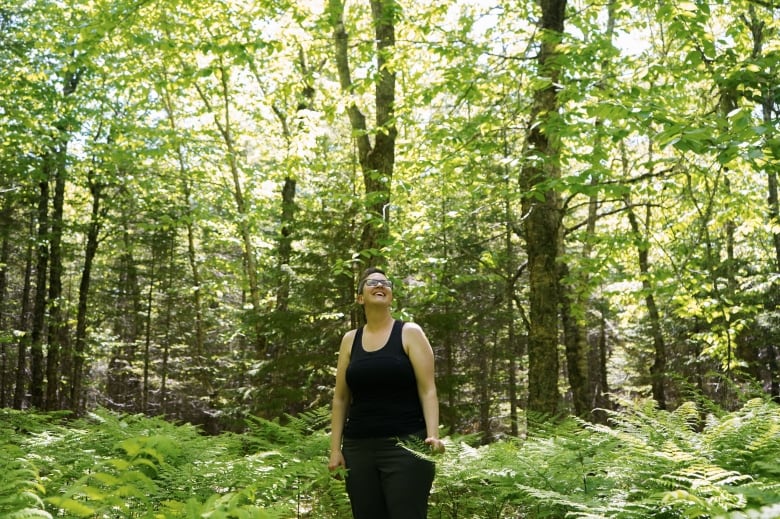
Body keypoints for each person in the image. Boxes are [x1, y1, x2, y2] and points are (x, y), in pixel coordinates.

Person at [328, 267, 445, 519]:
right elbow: (340, 398)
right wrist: (335, 449)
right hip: (358, 450)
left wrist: (433, 435)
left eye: (385, 283)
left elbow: (428, 390)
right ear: (360, 297)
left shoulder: (410, 333)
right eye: (371, 282)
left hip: (406, 446)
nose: (380, 285)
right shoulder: (350, 339)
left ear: (390, 295)